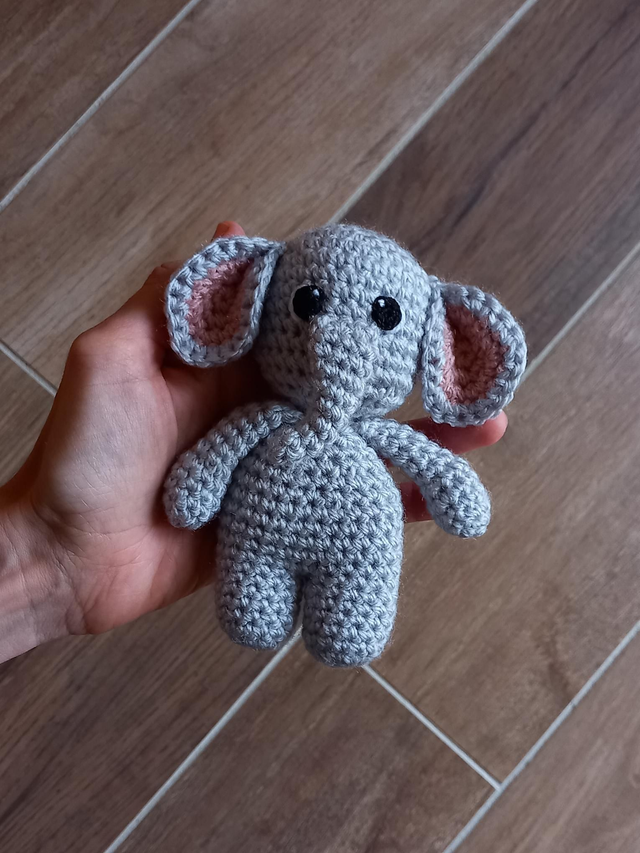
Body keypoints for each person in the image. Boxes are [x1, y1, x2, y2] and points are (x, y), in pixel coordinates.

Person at [0, 221, 507, 664]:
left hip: (354, 541)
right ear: (248, 295)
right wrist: (194, 487)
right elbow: (219, 454)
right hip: (258, 535)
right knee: (252, 616)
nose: (334, 334)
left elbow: (429, 463)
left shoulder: (366, 432)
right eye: (309, 303)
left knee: (349, 631)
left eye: (385, 315)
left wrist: (450, 486)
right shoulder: (264, 418)